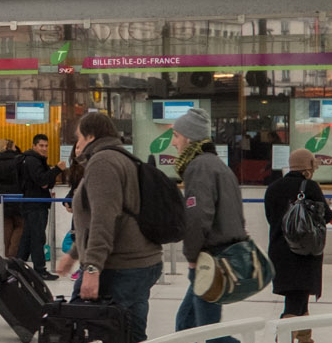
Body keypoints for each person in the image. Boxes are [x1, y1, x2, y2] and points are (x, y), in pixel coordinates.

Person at [54, 111, 162, 337]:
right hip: (141, 263)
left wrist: (92, 269)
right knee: (131, 333)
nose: (78, 143)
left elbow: (104, 219)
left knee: (82, 328)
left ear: (91, 136)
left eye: (80, 137)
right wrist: (74, 254)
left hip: (117, 267)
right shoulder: (124, 157)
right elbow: (102, 218)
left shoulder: (103, 162)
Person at [172, 107, 245, 343]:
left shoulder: (198, 167)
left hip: (210, 259)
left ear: (189, 137)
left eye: (176, 136)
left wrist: (191, 255)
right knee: (186, 323)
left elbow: (197, 216)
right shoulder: (219, 166)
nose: (173, 143)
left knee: (210, 333)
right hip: (222, 254)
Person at [265, 148, 327, 326]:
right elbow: (327, 216)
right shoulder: (310, 187)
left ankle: (304, 336)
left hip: (279, 251)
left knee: (299, 300)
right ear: (308, 168)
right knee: (294, 305)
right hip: (303, 253)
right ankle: (284, 336)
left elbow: (271, 218)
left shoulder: (272, 188)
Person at [16, 133, 62, 280]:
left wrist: (49, 178)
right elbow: (42, 180)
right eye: (41, 145)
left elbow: (47, 182)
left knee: (28, 236)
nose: (44, 148)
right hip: (35, 203)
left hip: (34, 202)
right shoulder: (33, 161)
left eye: (46, 146)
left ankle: (18, 266)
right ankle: (39, 269)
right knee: (37, 237)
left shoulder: (34, 160)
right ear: (34, 146)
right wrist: (56, 170)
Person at [0, 139, 24, 254]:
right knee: (20, 225)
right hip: (17, 196)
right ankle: (12, 253)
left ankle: (5, 254)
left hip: (1, 198)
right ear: (10, 147)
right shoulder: (18, 161)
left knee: (6, 226)